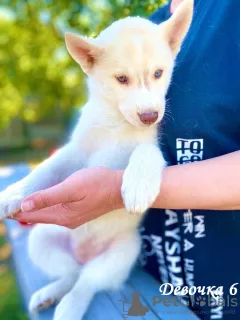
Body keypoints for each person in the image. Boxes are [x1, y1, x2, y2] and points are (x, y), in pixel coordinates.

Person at [14, 0, 240, 318]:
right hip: (148, 282)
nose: (147, 106)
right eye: (124, 80)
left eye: (158, 74)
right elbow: (89, 146)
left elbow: (142, 151)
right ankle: (71, 283)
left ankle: (80, 291)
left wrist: (115, 189)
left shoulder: (228, 16)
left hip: (225, 287)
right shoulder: (142, 32)